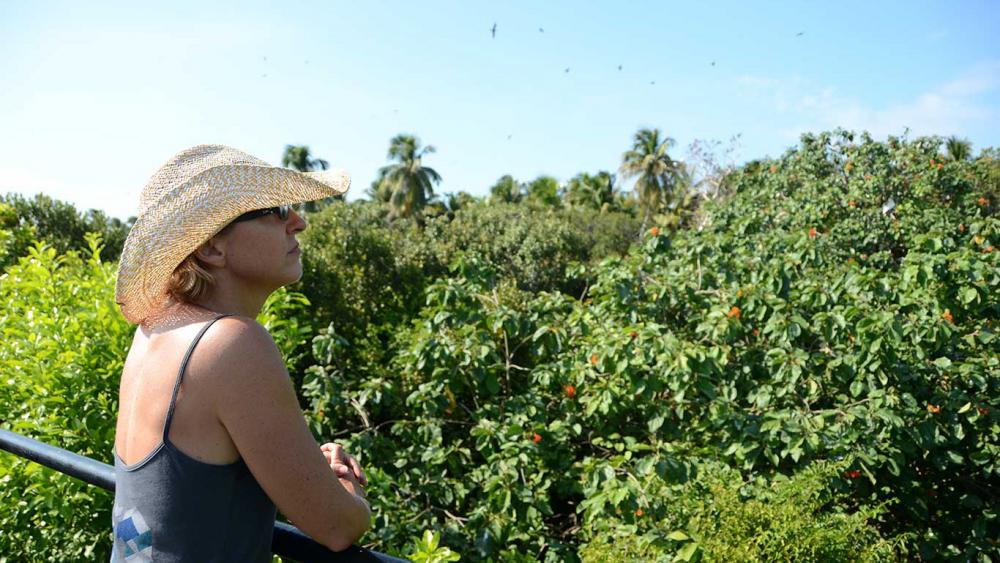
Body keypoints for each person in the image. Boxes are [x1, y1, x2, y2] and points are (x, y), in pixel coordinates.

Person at [111, 144, 371, 561]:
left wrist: (304, 467)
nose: (298, 223)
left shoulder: (157, 329)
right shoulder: (232, 342)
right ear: (212, 247)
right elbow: (338, 526)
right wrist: (345, 485)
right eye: (277, 210)